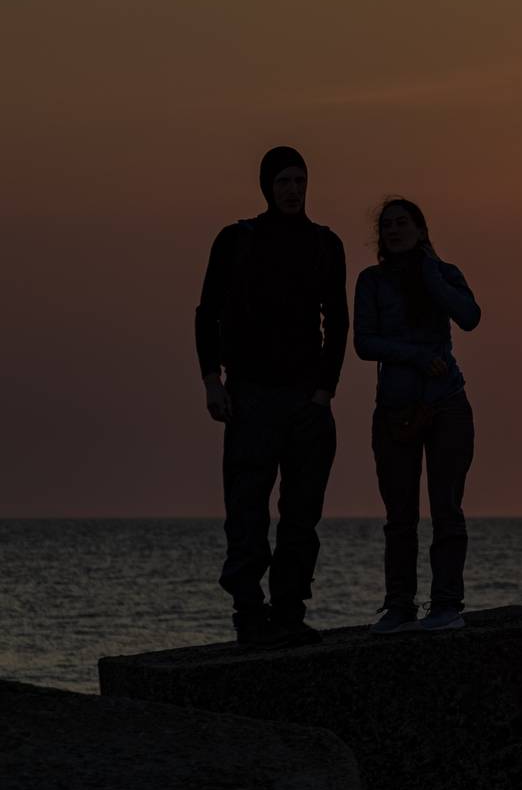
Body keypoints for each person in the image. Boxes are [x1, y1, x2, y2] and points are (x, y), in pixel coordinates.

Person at [194, 146, 348, 648]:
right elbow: (207, 312)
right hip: (250, 396)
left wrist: (325, 392)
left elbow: (338, 322)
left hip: (308, 401)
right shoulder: (237, 240)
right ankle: (247, 609)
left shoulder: (326, 245)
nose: (293, 189)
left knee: (302, 514)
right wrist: (212, 380)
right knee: (246, 509)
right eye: (283, 180)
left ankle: (289, 610)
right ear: (267, 185)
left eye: (300, 180)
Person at [355, 198, 481, 633]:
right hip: (395, 408)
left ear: (420, 228)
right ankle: (399, 605)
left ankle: (447, 605)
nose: (393, 230)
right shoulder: (371, 281)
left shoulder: (443, 273)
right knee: (400, 514)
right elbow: (364, 343)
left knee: (447, 507)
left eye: (402, 223)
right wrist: (416, 356)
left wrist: (430, 272)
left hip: (447, 402)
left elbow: (470, 317)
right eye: (386, 225)